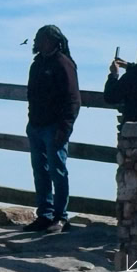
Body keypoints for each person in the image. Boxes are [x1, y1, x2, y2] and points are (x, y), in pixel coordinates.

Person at [24, 25, 81, 234]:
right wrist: (31, 119)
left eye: (41, 38)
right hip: (36, 126)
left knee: (58, 171)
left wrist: (64, 129)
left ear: (53, 41)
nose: (37, 42)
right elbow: (31, 94)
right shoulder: (37, 64)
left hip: (55, 128)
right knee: (40, 171)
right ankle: (44, 215)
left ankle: (61, 217)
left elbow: (73, 100)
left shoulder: (63, 63)